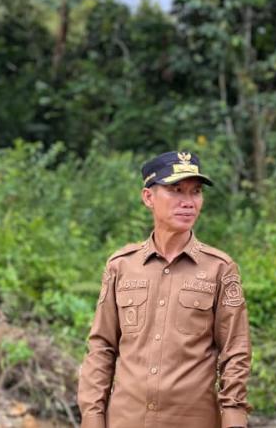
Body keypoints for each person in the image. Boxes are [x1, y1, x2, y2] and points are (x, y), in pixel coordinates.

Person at [77, 151, 251, 428]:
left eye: (195, 192)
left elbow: (235, 352)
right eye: (176, 190)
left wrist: (234, 419)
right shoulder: (121, 266)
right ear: (148, 197)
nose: (188, 202)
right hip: (126, 420)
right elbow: (102, 347)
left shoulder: (220, 268)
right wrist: (92, 416)